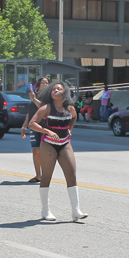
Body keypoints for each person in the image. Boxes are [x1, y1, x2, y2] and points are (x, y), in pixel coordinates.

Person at [29, 82, 88, 222]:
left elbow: (74, 117)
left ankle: (76, 210)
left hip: (65, 143)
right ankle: (45, 210)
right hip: (48, 144)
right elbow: (32, 123)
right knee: (46, 177)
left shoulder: (70, 108)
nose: (56, 90)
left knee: (71, 175)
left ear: (65, 93)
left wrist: (70, 129)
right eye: (54, 89)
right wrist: (46, 131)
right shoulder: (46, 108)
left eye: (59, 89)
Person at [21, 77, 49, 182]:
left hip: (45, 127)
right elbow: (30, 113)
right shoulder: (34, 96)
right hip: (34, 127)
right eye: (43, 82)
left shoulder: (49, 96)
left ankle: (46, 175)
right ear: (38, 85)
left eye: (47, 83)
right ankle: (38, 175)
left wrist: (33, 99)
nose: (45, 84)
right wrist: (24, 126)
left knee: (45, 152)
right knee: (35, 151)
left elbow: (44, 108)